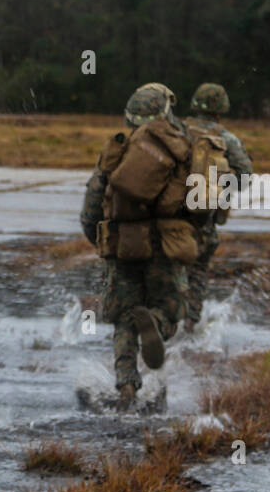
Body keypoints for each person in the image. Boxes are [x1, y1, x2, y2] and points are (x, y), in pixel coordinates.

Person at [80, 84, 196, 410]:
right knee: (171, 312)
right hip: (167, 246)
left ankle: (127, 386)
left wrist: (102, 241)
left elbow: (90, 208)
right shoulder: (182, 148)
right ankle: (155, 324)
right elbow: (200, 205)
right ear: (165, 112)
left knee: (122, 318)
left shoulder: (117, 150)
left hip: (122, 246)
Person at [181, 82, 253, 332]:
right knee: (198, 270)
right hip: (203, 219)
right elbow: (245, 177)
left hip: (166, 215)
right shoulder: (226, 138)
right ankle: (189, 325)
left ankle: (160, 319)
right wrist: (219, 188)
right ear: (221, 109)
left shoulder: (176, 130)